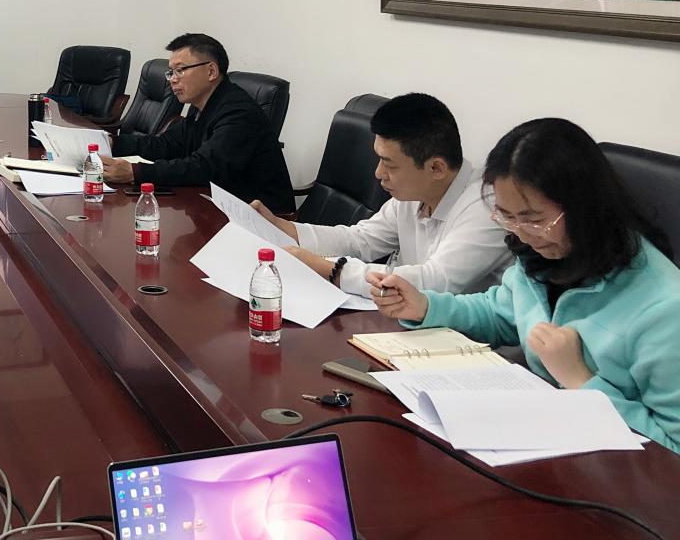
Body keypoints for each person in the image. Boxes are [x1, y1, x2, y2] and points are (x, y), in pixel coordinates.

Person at [370, 119, 680, 453]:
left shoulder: (665, 309)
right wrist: (426, 307)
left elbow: (673, 448)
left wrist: (580, 380)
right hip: (545, 441)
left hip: (613, 469)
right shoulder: (544, 253)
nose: (521, 233)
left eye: (533, 219)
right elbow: (500, 312)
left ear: (586, 207)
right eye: (507, 216)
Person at [249, 93, 511, 296]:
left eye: (390, 164)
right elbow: (361, 240)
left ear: (436, 168)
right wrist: (283, 227)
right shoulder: (415, 194)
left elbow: (435, 281)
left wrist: (332, 270)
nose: (378, 173)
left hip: (465, 341)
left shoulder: (487, 207)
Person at [101, 34, 294, 213]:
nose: (172, 80)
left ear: (211, 71)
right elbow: (166, 144)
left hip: (263, 218)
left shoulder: (239, 113)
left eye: (180, 70)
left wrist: (134, 172)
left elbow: (204, 168)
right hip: (217, 205)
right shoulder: (201, 105)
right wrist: (112, 143)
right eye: (171, 72)